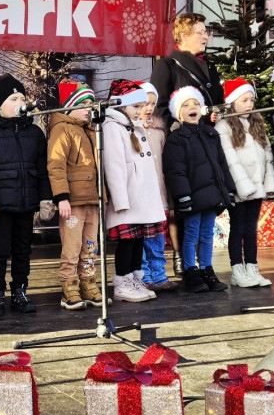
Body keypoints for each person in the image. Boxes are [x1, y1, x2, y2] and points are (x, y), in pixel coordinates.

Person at [0, 74, 54, 316]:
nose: (19, 101)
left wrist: (45, 198)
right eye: (13, 98)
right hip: (1, 206)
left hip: (26, 203)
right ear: (0, 104)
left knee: (22, 250)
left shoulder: (35, 133)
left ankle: (20, 290)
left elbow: (42, 170)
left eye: (22, 97)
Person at [163, 86, 236, 293]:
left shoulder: (210, 134)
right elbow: (175, 170)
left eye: (195, 104)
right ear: (179, 112)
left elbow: (222, 164)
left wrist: (228, 190)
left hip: (212, 195)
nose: (192, 107)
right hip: (192, 197)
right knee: (192, 234)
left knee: (207, 234)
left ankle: (206, 269)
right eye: (186, 105)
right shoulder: (177, 139)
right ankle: (191, 271)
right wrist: (183, 196)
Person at [103, 79, 165, 302]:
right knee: (127, 242)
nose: (141, 111)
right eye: (136, 107)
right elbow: (114, 165)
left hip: (142, 197)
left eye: (142, 107)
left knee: (138, 241)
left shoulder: (134, 127)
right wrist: (120, 200)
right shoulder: (113, 126)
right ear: (121, 105)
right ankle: (122, 282)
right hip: (128, 198)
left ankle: (134, 278)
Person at [46, 81, 107, 310]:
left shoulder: (92, 129)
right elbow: (56, 163)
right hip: (72, 200)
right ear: (70, 106)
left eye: (91, 103)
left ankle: (88, 282)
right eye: (83, 104)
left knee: (90, 245)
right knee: (71, 247)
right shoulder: (62, 129)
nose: (88, 108)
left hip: (92, 198)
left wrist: (104, 196)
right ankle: (68, 286)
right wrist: (61, 196)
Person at [215, 78, 274, 288]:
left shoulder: (256, 123)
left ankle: (252, 267)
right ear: (233, 102)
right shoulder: (224, 126)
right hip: (240, 188)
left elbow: (268, 154)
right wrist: (244, 186)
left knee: (251, 229)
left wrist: (267, 183)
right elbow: (230, 158)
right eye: (244, 100)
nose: (249, 104)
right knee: (238, 228)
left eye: (251, 100)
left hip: (257, 186)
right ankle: (237, 270)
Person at [136, 81, 178, 292]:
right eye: (145, 103)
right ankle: (145, 275)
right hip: (141, 195)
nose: (150, 108)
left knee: (157, 238)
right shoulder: (130, 131)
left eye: (153, 103)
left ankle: (160, 275)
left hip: (159, 194)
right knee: (143, 236)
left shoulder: (160, 132)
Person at [149, 12, 224, 125]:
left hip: (210, 139)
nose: (206, 37)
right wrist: (179, 131)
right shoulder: (167, 66)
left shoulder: (210, 66)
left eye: (206, 32)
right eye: (200, 33)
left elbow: (219, 103)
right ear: (184, 36)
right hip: (184, 139)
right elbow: (159, 109)